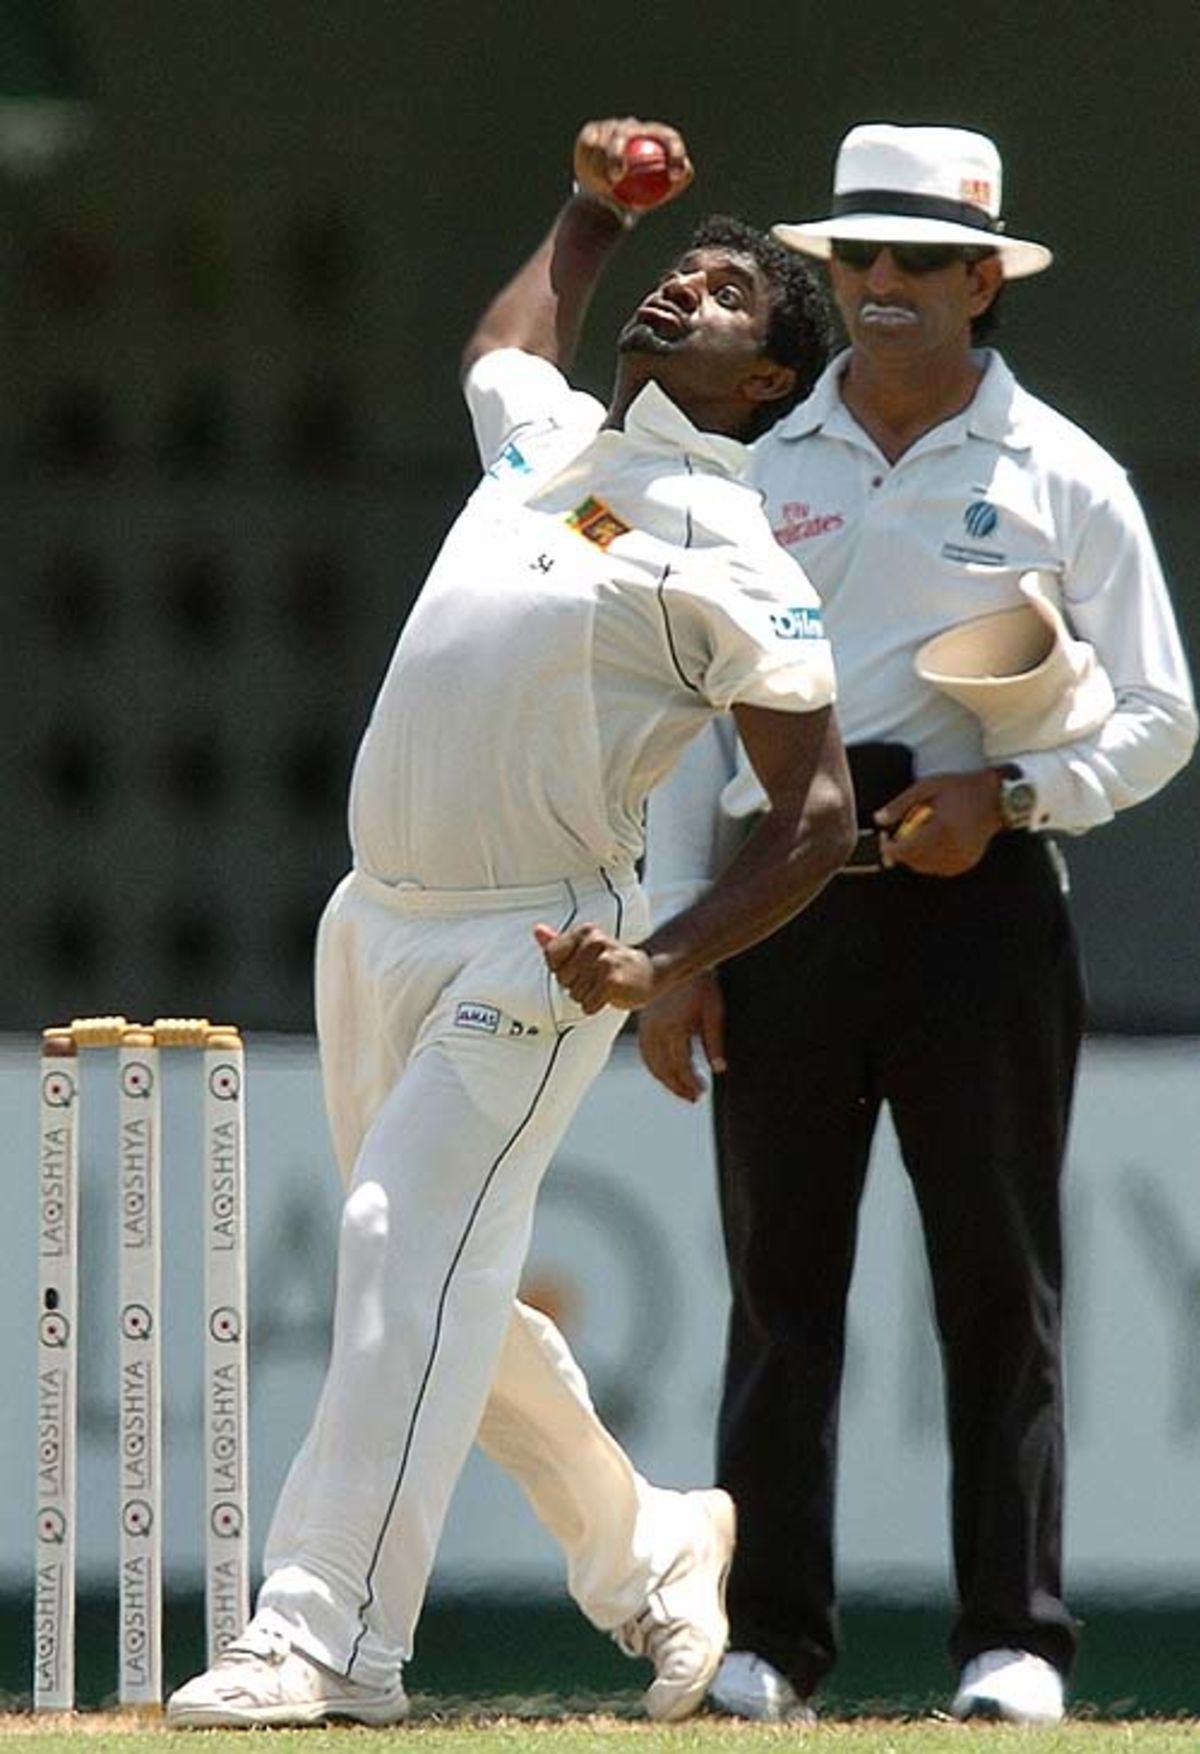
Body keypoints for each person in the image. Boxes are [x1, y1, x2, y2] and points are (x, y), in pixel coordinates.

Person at [165, 116, 855, 1728]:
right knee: (444, 1294)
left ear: (769, 385)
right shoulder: (551, 438)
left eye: (728, 295)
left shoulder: (735, 548)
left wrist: (664, 960)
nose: (684, 290)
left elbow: (815, 813)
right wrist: (586, 212)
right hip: (377, 923)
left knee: (401, 1249)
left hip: (536, 949)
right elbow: (501, 346)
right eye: (679, 272)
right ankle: (655, 1546)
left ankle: (329, 1636)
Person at [637, 123, 1197, 1726]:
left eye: (915, 261)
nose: (878, 286)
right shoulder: (759, 462)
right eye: (856, 259)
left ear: (980, 281)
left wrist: (1012, 799)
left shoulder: (1063, 472)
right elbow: (695, 717)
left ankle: (1013, 1640)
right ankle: (768, 1645)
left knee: (995, 1280)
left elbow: (1160, 714)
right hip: (781, 893)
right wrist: (682, 949)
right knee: (778, 1279)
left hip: (981, 898)